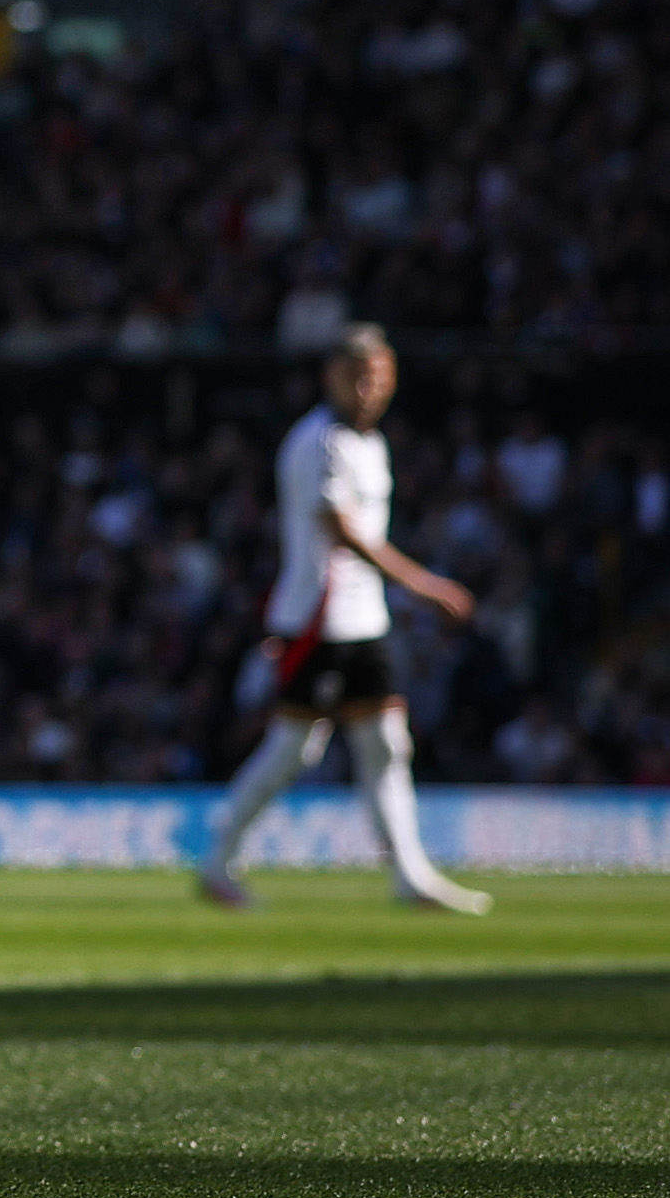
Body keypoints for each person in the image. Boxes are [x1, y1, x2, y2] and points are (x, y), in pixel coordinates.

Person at [199, 326, 488, 914]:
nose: (370, 389)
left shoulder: (370, 443)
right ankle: (219, 860)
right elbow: (342, 532)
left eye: (380, 378)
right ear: (332, 375)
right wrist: (424, 585)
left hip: (363, 621)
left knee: (385, 742)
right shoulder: (319, 442)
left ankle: (410, 875)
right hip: (317, 621)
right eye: (359, 376)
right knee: (294, 751)